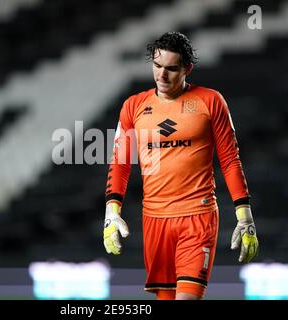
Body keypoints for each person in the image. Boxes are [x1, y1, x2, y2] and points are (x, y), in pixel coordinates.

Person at [102, 32, 259, 300]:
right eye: (157, 66)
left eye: (171, 69)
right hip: (155, 219)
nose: (162, 75)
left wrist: (244, 217)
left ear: (188, 69)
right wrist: (111, 212)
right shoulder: (133, 106)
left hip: (197, 217)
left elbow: (230, 159)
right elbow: (120, 162)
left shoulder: (210, 102)